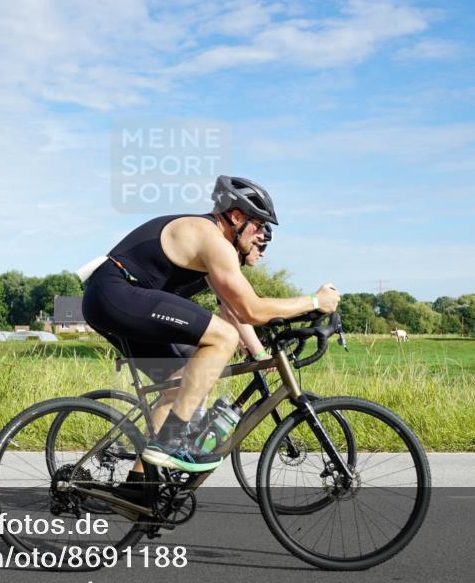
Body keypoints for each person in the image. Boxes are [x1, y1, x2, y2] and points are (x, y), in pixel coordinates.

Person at [81, 175, 340, 474]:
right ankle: (170, 442)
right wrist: (315, 301)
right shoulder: (213, 241)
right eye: (259, 226)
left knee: (182, 382)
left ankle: (140, 488)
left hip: (114, 299)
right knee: (222, 338)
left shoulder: (214, 244)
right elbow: (252, 309)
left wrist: (258, 354)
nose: (262, 235)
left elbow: (232, 308)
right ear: (236, 216)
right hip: (115, 293)